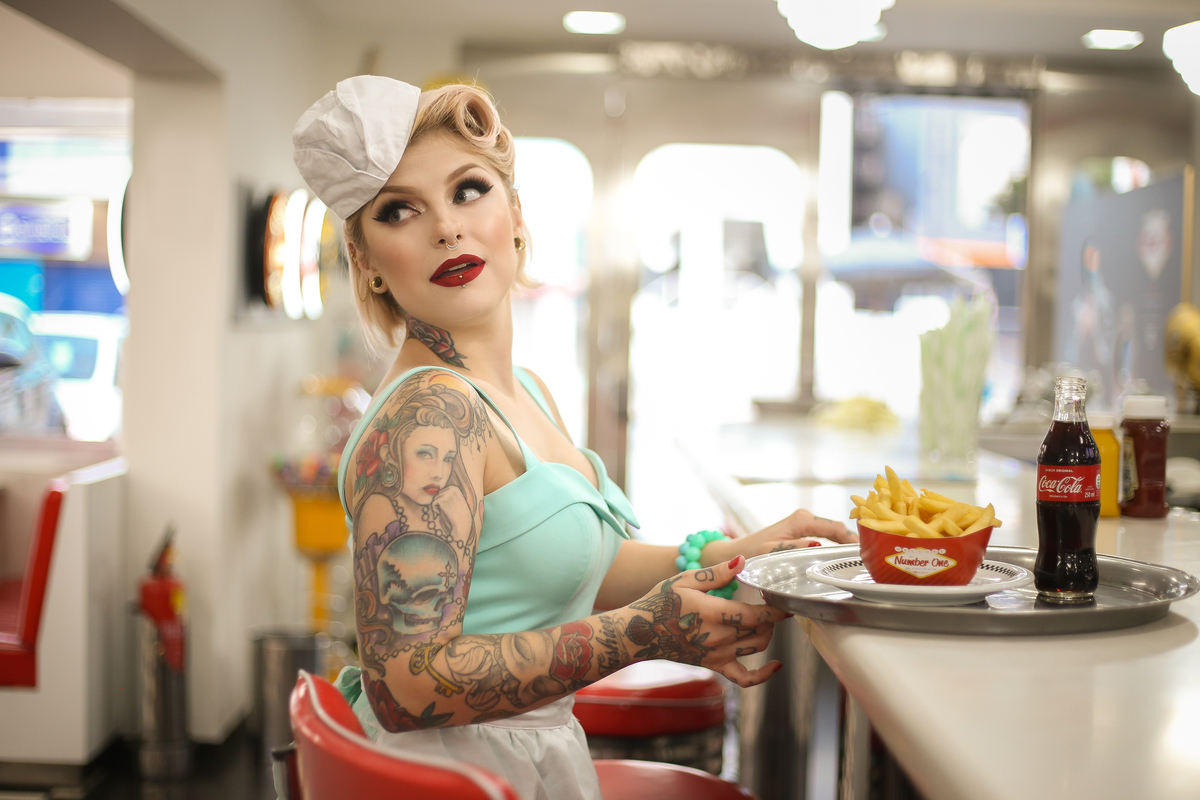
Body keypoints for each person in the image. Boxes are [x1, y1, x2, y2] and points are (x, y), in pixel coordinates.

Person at [293, 76, 856, 800]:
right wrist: (642, 633)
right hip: (453, 778)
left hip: (525, 758)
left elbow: (574, 567)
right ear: (366, 259)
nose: (446, 228)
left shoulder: (523, 389)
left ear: (515, 215)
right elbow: (404, 686)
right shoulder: (430, 415)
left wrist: (732, 555)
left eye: (468, 190)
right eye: (400, 211)